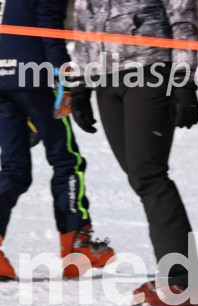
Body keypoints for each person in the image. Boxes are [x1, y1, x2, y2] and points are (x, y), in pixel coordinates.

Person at [71, 0, 198, 306]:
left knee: (149, 173)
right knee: (138, 175)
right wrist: (79, 86)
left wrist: (184, 78)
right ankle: (181, 276)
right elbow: (82, 24)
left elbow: (182, 16)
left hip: (150, 69)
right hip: (106, 77)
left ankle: (182, 281)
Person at [0, 0, 114, 282]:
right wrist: (63, 73)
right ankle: (77, 247)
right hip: (34, 74)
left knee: (14, 168)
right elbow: (48, 21)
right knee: (66, 159)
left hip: (1, 77)